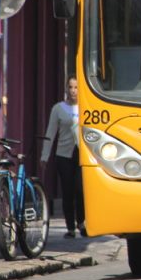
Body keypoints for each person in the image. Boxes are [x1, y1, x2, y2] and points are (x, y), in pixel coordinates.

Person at [42, 76, 84, 238]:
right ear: (66, 89)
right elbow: (50, 133)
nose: (73, 91)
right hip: (63, 155)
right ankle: (70, 227)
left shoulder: (85, 107)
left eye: (76, 87)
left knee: (80, 190)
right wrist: (44, 156)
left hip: (81, 154)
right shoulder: (58, 108)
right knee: (67, 191)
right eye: (70, 87)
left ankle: (81, 221)